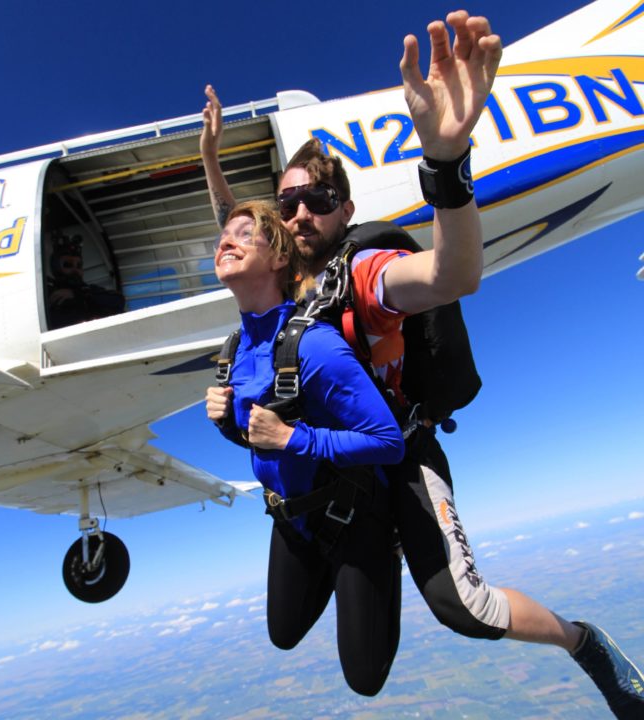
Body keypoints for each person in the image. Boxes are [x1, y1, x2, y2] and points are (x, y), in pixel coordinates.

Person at [200, 11, 644, 718]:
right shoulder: (283, 281)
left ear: (344, 210)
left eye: (318, 201)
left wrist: (443, 164)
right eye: (289, 204)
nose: (300, 213)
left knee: (459, 605)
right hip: (331, 465)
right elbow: (239, 227)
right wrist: (213, 161)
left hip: (400, 451)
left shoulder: (364, 272)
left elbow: (448, 276)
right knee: (301, 626)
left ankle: (582, 641)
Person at [205, 200, 405, 696]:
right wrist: (226, 423)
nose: (226, 241)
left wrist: (294, 438)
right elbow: (263, 439)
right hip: (291, 517)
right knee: (284, 633)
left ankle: (379, 562)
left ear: (277, 259)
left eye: (245, 234)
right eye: (223, 235)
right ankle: (345, 580)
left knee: (365, 678)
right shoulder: (234, 351)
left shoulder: (314, 345)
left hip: (355, 515)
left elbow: (388, 442)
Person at [47, 233, 125, 329]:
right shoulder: (46, 294)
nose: (75, 270)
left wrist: (78, 295)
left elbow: (118, 300)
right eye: (67, 264)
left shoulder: (90, 291)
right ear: (56, 268)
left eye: (79, 265)